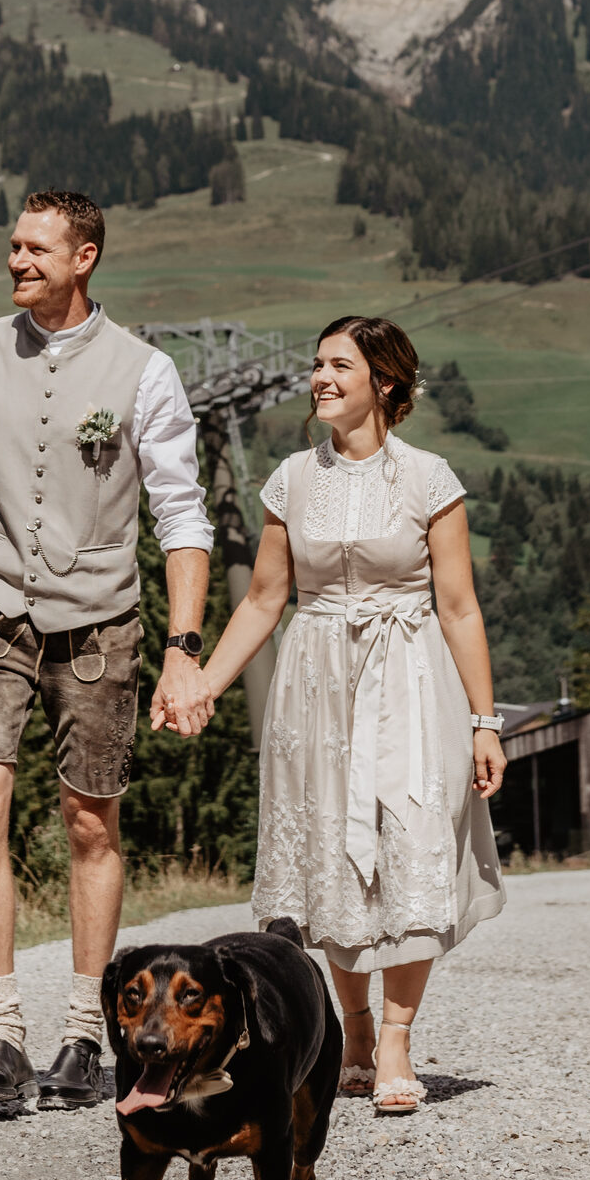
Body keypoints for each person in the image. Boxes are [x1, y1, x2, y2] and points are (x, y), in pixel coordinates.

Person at [0, 188, 214, 1112]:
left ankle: (83, 1034)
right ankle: (2, 1033)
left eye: (36, 249)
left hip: (100, 619)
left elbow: (181, 513)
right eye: (13, 246)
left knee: (90, 821)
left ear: (85, 258)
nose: (17, 261)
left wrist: (183, 647)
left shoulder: (146, 371)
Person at [193, 314, 506, 1112]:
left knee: (411, 843)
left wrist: (485, 721)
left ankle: (396, 1039)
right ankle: (355, 1032)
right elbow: (263, 601)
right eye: (317, 365)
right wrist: (203, 684)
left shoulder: (429, 478)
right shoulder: (292, 480)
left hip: (410, 678)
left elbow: (460, 607)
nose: (321, 379)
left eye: (340, 366)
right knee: (334, 856)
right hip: (316, 685)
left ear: (384, 382)